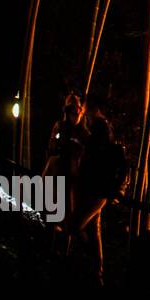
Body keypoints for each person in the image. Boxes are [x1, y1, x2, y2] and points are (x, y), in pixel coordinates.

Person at [66, 97, 128, 286]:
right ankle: (97, 272)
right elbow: (86, 166)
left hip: (100, 194)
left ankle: (94, 265)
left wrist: (118, 191)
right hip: (90, 190)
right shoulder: (92, 146)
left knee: (75, 226)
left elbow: (124, 172)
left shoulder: (112, 149)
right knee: (94, 231)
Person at [42, 94, 88, 230]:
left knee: (70, 213)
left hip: (74, 174)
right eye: (70, 110)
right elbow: (52, 145)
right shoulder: (60, 126)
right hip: (59, 171)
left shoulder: (83, 131)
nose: (74, 114)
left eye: (77, 110)